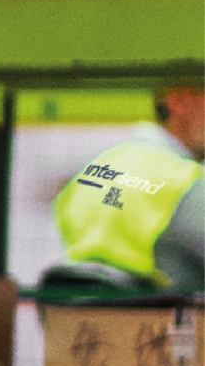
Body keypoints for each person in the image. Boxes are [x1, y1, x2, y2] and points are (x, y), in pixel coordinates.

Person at [50, 88, 205, 295]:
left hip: (82, 316)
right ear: (179, 100)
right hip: (156, 318)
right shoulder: (186, 179)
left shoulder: (94, 169)